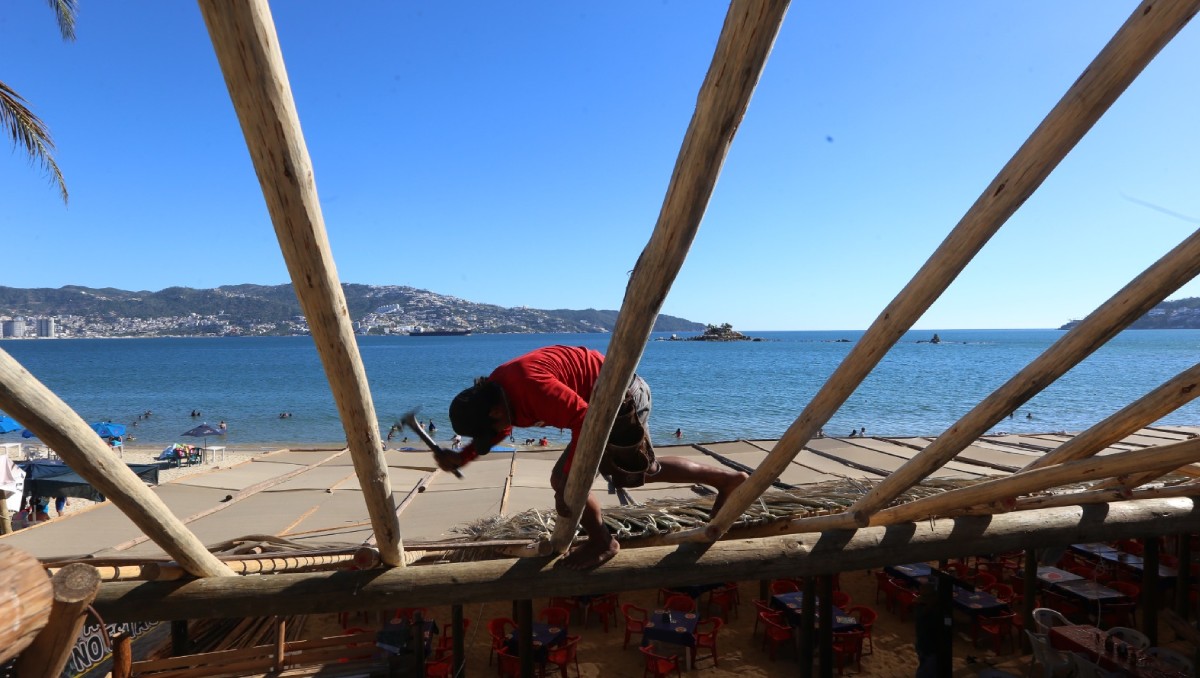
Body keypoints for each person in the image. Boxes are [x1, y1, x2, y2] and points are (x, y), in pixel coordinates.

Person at [437, 345, 748, 570]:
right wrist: (463, 457)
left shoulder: (531, 387)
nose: (500, 427)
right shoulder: (497, 394)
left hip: (621, 394)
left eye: (491, 424)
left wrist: (571, 481)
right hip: (597, 401)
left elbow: (585, 421)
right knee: (640, 472)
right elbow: (500, 429)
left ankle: (603, 541)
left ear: (493, 411)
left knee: (567, 479)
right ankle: (728, 479)